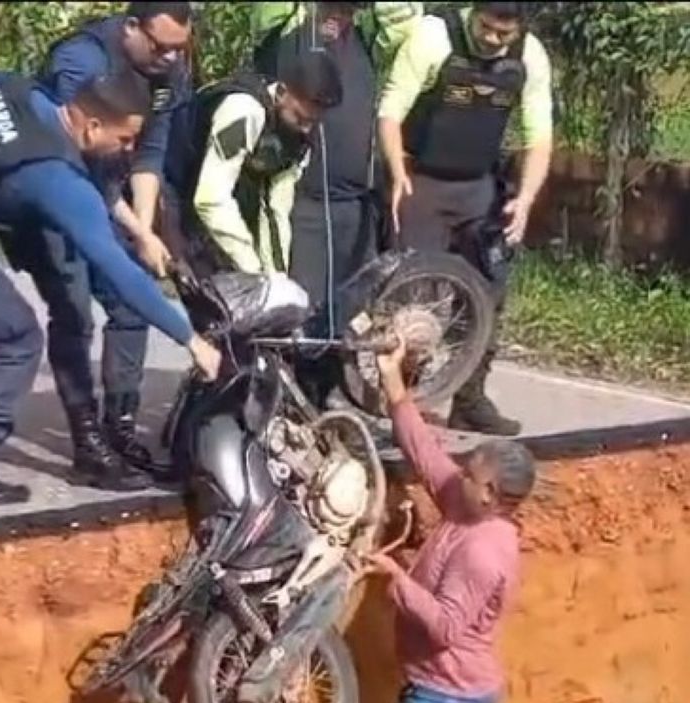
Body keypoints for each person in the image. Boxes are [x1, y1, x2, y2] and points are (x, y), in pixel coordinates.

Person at [0, 70, 221, 510]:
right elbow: (118, 270)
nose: (127, 151)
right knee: (18, 336)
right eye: (124, 140)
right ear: (92, 127)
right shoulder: (53, 175)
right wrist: (190, 339)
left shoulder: (13, 87)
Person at [355, 338, 535, 703]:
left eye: (472, 473)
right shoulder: (465, 502)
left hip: (449, 698)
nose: (460, 473)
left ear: (494, 494)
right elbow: (427, 455)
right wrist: (393, 385)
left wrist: (396, 578)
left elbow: (447, 628)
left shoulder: (487, 550)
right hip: (445, 692)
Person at [19, 0, 194, 490]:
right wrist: (135, 232)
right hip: (55, 191)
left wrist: (144, 232)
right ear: (131, 28)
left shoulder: (168, 72)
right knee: (74, 312)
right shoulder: (82, 61)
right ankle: (87, 442)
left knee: (130, 303)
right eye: (160, 47)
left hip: (111, 189)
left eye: (179, 50)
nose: (170, 59)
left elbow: (148, 155)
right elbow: (72, 152)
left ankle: (120, 426)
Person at [378, 1, 553, 436]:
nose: (494, 40)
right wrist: (398, 174)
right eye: (487, 29)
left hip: (479, 188)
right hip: (422, 184)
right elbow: (390, 112)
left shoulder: (529, 55)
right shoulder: (433, 36)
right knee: (416, 298)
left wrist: (526, 199)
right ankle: (404, 403)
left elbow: (540, 137)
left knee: (489, 290)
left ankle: (470, 400)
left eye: (504, 34)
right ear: (473, 12)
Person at [252, 1, 423, 407]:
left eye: (350, 8)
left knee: (346, 307)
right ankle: (283, 402)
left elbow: (407, 17)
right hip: (305, 202)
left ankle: (326, 396)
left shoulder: (369, 39)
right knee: (300, 311)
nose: (341, 14)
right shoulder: (287, 31)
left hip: (355, 203)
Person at [165, 51, 345, 281]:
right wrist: (251, 268)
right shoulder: (243, 110)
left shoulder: (298, 139)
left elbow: (275, 209)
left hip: (215, 198)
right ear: (281, 92)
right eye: (301, 118)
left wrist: (276, 279)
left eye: (313, 122)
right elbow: (211, 198)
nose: (307, 129)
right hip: (172, 188)